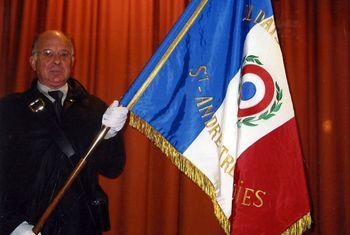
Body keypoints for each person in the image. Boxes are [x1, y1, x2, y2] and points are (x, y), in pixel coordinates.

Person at [0, 30, 128, 235]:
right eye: (48, 53)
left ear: (73, 60)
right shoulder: (10, 110)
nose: (57, 61)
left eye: (64, 54)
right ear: (33, 61)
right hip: (28, 226)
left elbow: (113, 168)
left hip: (81, 226)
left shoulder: (95, 109)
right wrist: (11, 224)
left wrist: (111, 136)